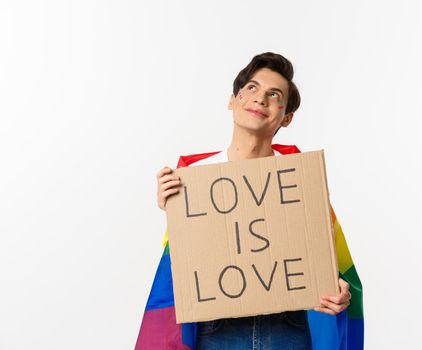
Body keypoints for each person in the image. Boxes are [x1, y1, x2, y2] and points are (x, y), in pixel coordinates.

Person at [136, 52, 363, 350]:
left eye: (274, 94)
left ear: (287, 117)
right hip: (216, 332)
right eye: (252, 88)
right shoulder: (192, 178)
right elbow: (182, 269)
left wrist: (339, 293)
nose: (260, 99)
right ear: (233, 100)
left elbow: (327, 263)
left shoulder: (301, 179)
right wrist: (173, 210)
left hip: (289, 330)